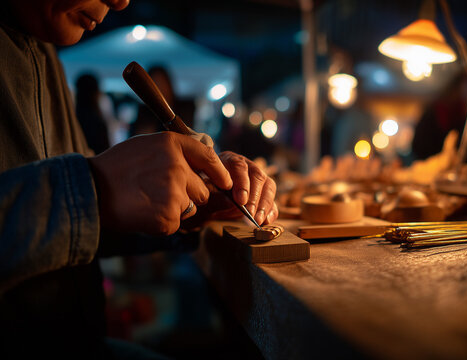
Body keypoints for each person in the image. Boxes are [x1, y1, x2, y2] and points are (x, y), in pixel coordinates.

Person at [0, 0, 278, 356]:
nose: (121, 2)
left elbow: (76, 229)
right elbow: (84, 199)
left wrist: (193, 204)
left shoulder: (45, 51)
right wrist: (94, 189)